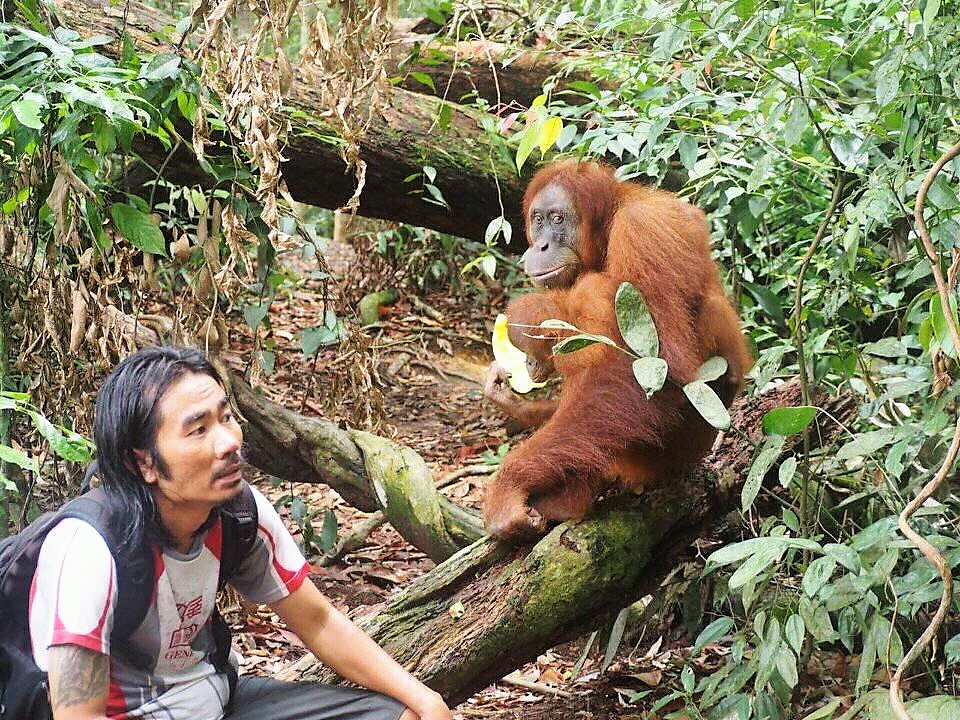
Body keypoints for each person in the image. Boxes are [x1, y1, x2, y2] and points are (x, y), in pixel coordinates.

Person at [28, 346, 452, 720]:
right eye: (198, 430)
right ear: (144, 463)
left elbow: (319, 622)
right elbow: (77, 715)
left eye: (226, 418)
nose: (228, 442)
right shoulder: (90, 549)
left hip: (222, 702)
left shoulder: (240, 513)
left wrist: (426, 699)